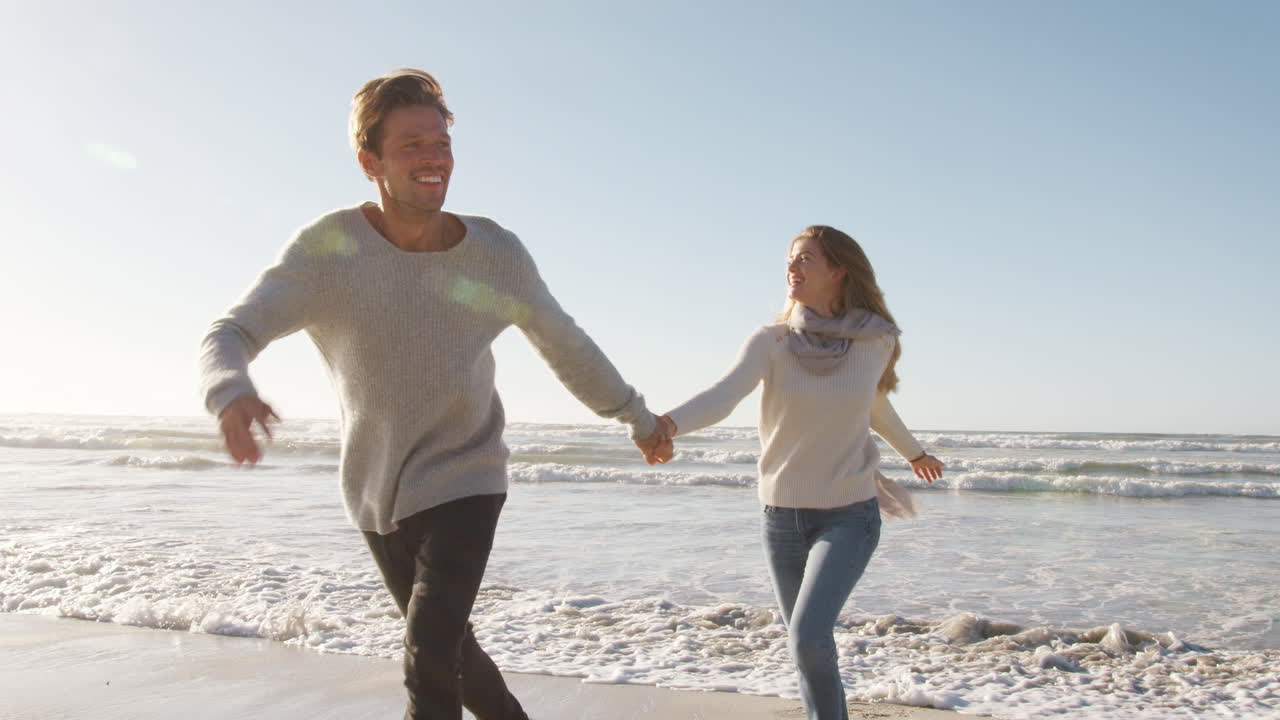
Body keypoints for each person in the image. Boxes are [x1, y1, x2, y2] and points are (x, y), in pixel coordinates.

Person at [198, 68, 671, 720]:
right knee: (456, 657)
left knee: (428, 653)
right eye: (411, 144)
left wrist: (637, 417)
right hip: (376, 493)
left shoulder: (495, 255)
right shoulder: (329, 250)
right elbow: (231, 330)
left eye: (440, 142)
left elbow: (566, 345)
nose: (433, 158)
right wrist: (230, 391)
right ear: (371, 162)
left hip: (467, 477)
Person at [650, 225, 943, 720]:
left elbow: (874, 405)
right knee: (805, 646)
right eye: (791, 258)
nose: (793, 267)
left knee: (808, 636)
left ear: (838, 270)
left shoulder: (875, 340)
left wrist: (914, 453)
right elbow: (724, 395)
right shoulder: (772, 342)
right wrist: (668, 425)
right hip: (780, 517)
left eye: (806, 258)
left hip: (849, 515)